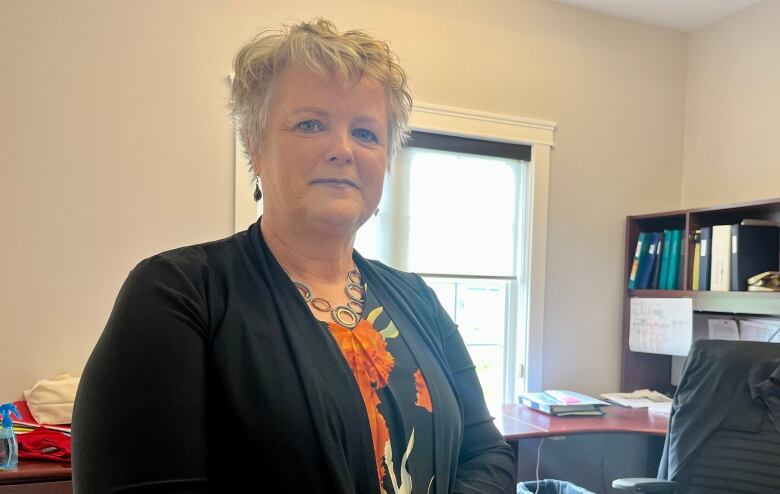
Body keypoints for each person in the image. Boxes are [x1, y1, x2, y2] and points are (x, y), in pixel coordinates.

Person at [72, 18, 515, 493]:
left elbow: (486, 451)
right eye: (311, 124)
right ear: (254, 147)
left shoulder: (417, 299)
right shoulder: (178, 294)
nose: (343, 149)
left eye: (366, 133)